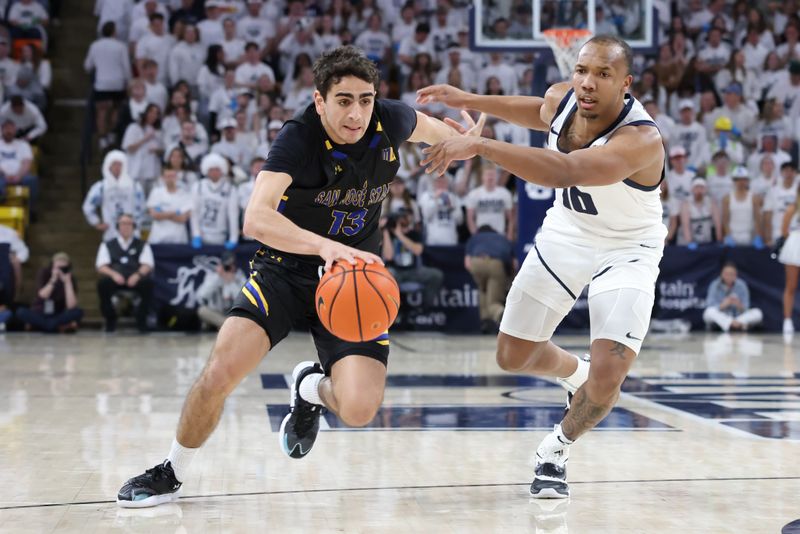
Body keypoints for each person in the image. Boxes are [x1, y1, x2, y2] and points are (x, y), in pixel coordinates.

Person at [116, 45, 483, 508]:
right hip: (285, 271)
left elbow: (437, 132)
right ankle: (171, 471)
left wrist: (462, 143)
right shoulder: (298, 137)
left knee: (358, 409)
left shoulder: (390, 120)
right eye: (344, 100)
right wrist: (325, 247)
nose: (356, 112)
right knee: (218, 374)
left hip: (353, 281)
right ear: (319, 101)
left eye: (365, 100)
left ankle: (308, 387)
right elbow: (256, 218)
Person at [417, 35, 667, 499]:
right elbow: (534, 110)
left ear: (626, 83)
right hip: (568, 232)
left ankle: (555, 449)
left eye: (603, 74)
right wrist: (465, 98)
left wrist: (480, 146)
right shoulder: (565, 99)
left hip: (628, 248)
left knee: (610, 374)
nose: (587, 83)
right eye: (582, 70)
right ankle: (577, 373)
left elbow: (565, 171)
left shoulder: (641, 139)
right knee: (511, 355)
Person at [95, 213, 154, 333]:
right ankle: (110, 319)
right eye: (123, 224)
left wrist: (137, 275)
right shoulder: (107, 244)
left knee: (148, 284)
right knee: (103, 284)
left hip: (135, 277)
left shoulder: (142, 244)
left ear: (134, 226)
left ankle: (141, 320)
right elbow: (101, 266)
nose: (126, 227)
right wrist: (113, 274)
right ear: (118, 226)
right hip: (116, 278)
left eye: (129, 224)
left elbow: (148, 264)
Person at [82, 150, 146, 241]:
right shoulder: (101, 187)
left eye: (120, 164)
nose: (117, 167)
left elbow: (142, 208)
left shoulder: (135, 186)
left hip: (132, 234)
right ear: (108, 166)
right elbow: (88, 206)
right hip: (110, 233)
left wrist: (136, 224)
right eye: (114, 164)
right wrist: (96, 223)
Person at [16, 252, 83, 333]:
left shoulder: (70, 278)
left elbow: (71, 306)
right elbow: (42, 295)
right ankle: (54, 327)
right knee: (21, 311)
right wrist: (53, 280)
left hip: (57, 314)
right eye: (58, 267)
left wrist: (67, 283)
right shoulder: (44, 273)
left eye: (64, 268)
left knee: (78, 312)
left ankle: (44, 327)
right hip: (40, 312)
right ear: (52, 266)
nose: (61, 270)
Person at [465, 224, 513, 334]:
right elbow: (513, 263)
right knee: (493, 301)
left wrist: (478, 277)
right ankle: (500, 313)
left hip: (477, 263)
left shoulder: (474, 238)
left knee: (483, 289)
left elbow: (467, 263)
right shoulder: (502, 238)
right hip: (497, 264)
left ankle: (485, 322)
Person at [702, 261, 763, 332]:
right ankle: (735, 325)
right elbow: (710, 305)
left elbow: (746, 308)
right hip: (721, 317)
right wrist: (723, 305)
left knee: (758, 313)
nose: (729, 276)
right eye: (726, 274)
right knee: (708, 312)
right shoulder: (714, 285)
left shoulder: (742, 285)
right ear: (721, 274)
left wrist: (739, 305)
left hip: (738, 317)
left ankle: (733, 324)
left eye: (731, 274)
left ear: (736, 275)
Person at [196, 250, 246, 329]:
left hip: (232, 314)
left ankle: (224, 326)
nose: (228, 268)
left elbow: (242, 299)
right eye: (226, 266)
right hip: (216, 312)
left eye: (230, 265)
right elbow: (201, 295)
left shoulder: (239, 276)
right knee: (202, 310)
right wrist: (218, 277)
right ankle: (228, 327)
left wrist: (231, 282)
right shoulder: (213, 276)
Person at [777, 188, 800, 335]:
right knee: (791, 285)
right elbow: (784, 230)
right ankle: (787, 320)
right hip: (795, 245)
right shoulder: (792, 209)